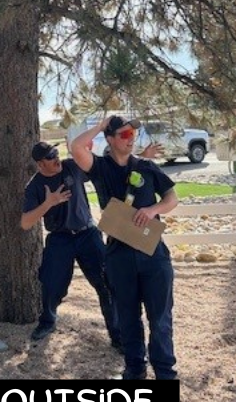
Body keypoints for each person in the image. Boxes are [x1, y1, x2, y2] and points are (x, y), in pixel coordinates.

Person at [70, 115, 179, 380]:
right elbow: (76, 148)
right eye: (124, 134)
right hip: (119, 256)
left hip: (153, 254)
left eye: (133, 134)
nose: (131, 139)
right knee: (128, 318)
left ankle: (165, 373)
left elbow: (171, 198)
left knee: (160, 319)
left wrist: (153, 209)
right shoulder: (100, 168)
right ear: (110, 139)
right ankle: (135, 369)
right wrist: (99, 126)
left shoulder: (146, 166)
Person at [21, 141, 121, 349]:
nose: (56, 158)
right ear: (40, 164)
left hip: (87, 234)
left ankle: (118, 335)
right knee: (50, 285)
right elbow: (26, 222)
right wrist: (49, 203)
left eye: (56, 153)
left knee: (107, 283)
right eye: (50, 157)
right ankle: (47, 322)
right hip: (60, 239)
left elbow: (98, 166)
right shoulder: (35, 186)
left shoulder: (71, 167)